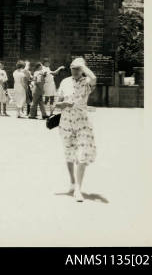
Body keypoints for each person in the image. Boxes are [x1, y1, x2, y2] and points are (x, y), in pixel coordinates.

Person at [55, 57, 97, 202]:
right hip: (66, 122)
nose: (75, 70)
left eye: (78, 68)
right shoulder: (65, 82)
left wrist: (83, 66)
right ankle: (73, 182)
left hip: (82, 122)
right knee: (69, 154)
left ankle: (78, 188)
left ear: (83, 69)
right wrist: (63, 104)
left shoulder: (87, 82)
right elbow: (56, 103)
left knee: (82, 154)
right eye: (73, 67)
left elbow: (93, 78)